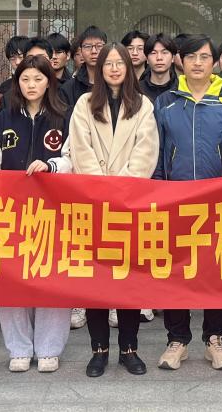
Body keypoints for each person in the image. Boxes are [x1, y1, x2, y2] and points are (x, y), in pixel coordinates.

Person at [153, 35, 222, 371]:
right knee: (176, 270)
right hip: (175, 199)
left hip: (217, 200)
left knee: (215, 269)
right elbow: (156, 149)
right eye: (191, 56)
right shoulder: (166, 101)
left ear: (215, 62)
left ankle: (215, 339)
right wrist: (158, 191)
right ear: (180, 61)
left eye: (204, 57)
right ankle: (177, 340)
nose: (197, 63)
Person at [68, 43, 159, 377]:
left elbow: (146, 152)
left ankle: (129, 349)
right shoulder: (84, 104)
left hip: (130, 205)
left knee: (128, 280)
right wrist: (102, 189)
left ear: (129, 68)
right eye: (109, 63)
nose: (115, 68)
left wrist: (121, 189)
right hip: (94, 203)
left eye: (121, 63)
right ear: (100, 68)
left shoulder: (143, 105)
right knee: (96, 282)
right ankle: (99, 350)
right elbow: (81, 150)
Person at [0, 54, 74, 372]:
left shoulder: (63, 117)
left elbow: (72, 158)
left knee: (52, 276)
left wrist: (51, 166)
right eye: (25, 79)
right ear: (17, 82)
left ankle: (49, 347)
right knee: (12, 278)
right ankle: (19, 348)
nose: (31, 85)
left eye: (38, 79)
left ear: (49, 82)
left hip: (54, 211)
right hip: (12, 211)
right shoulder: (4, 119)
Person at [60, 27, 107, 106]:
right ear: (81, 50)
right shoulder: (68, 89)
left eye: (99, 46)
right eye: (88, 46)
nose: (94, 51)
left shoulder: (114, 83)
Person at [140, 33, 178, 101]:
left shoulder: (180, 89)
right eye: (153, 53)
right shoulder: (137, 90)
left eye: (164, 52)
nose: (159, 58)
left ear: (173, 58)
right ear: (147, 59)